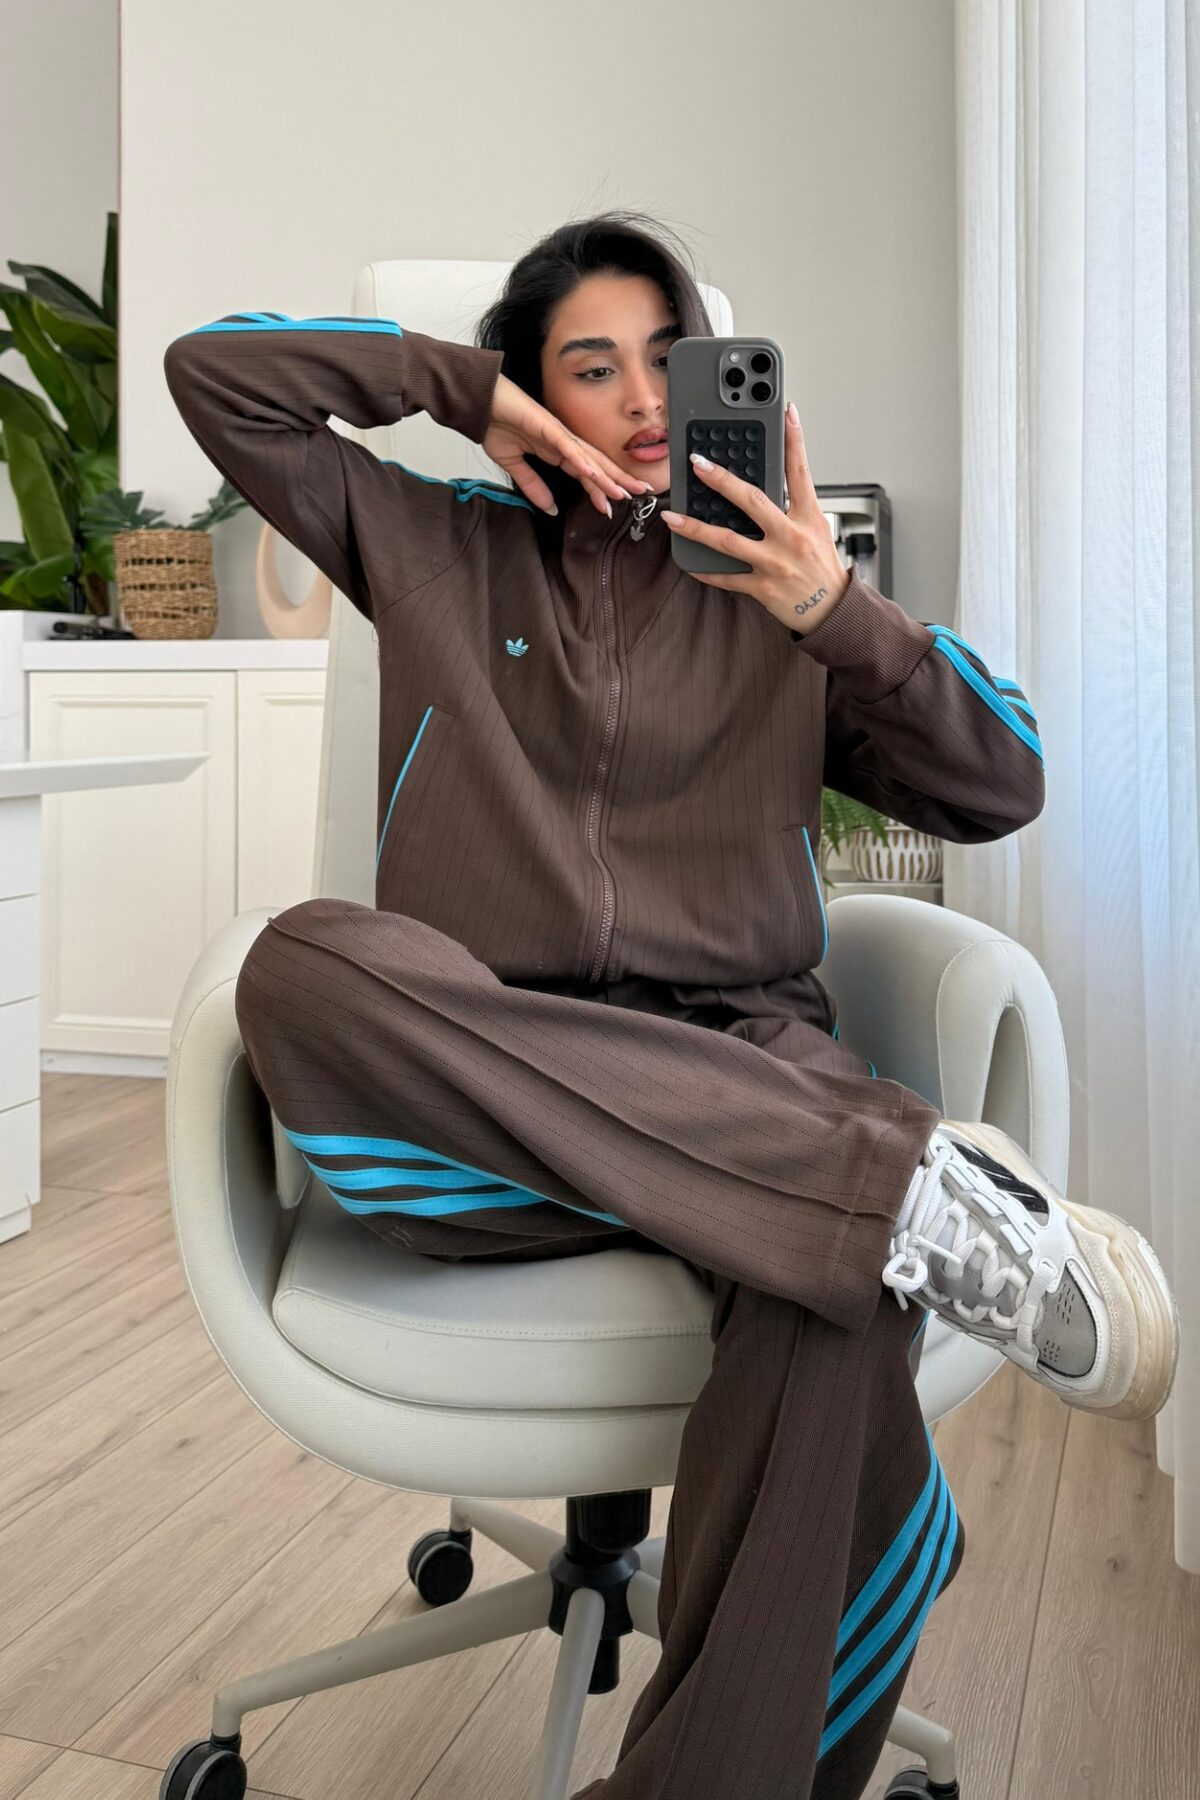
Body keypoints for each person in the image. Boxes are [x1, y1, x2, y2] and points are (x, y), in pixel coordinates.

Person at [163, 209, 1179, 1800]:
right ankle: (904, 1194)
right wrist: (457, 393)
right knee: (303, 961)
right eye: (592, 366)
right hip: (485, 1108)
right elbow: (212, 374)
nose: (643, 397)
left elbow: (1006, 782)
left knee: (829, 1299)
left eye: (671, 357)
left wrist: (835, 610)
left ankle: (870, 1215)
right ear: (529, 390)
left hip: (742, 1071)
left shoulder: (781, 592)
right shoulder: (429, 538)